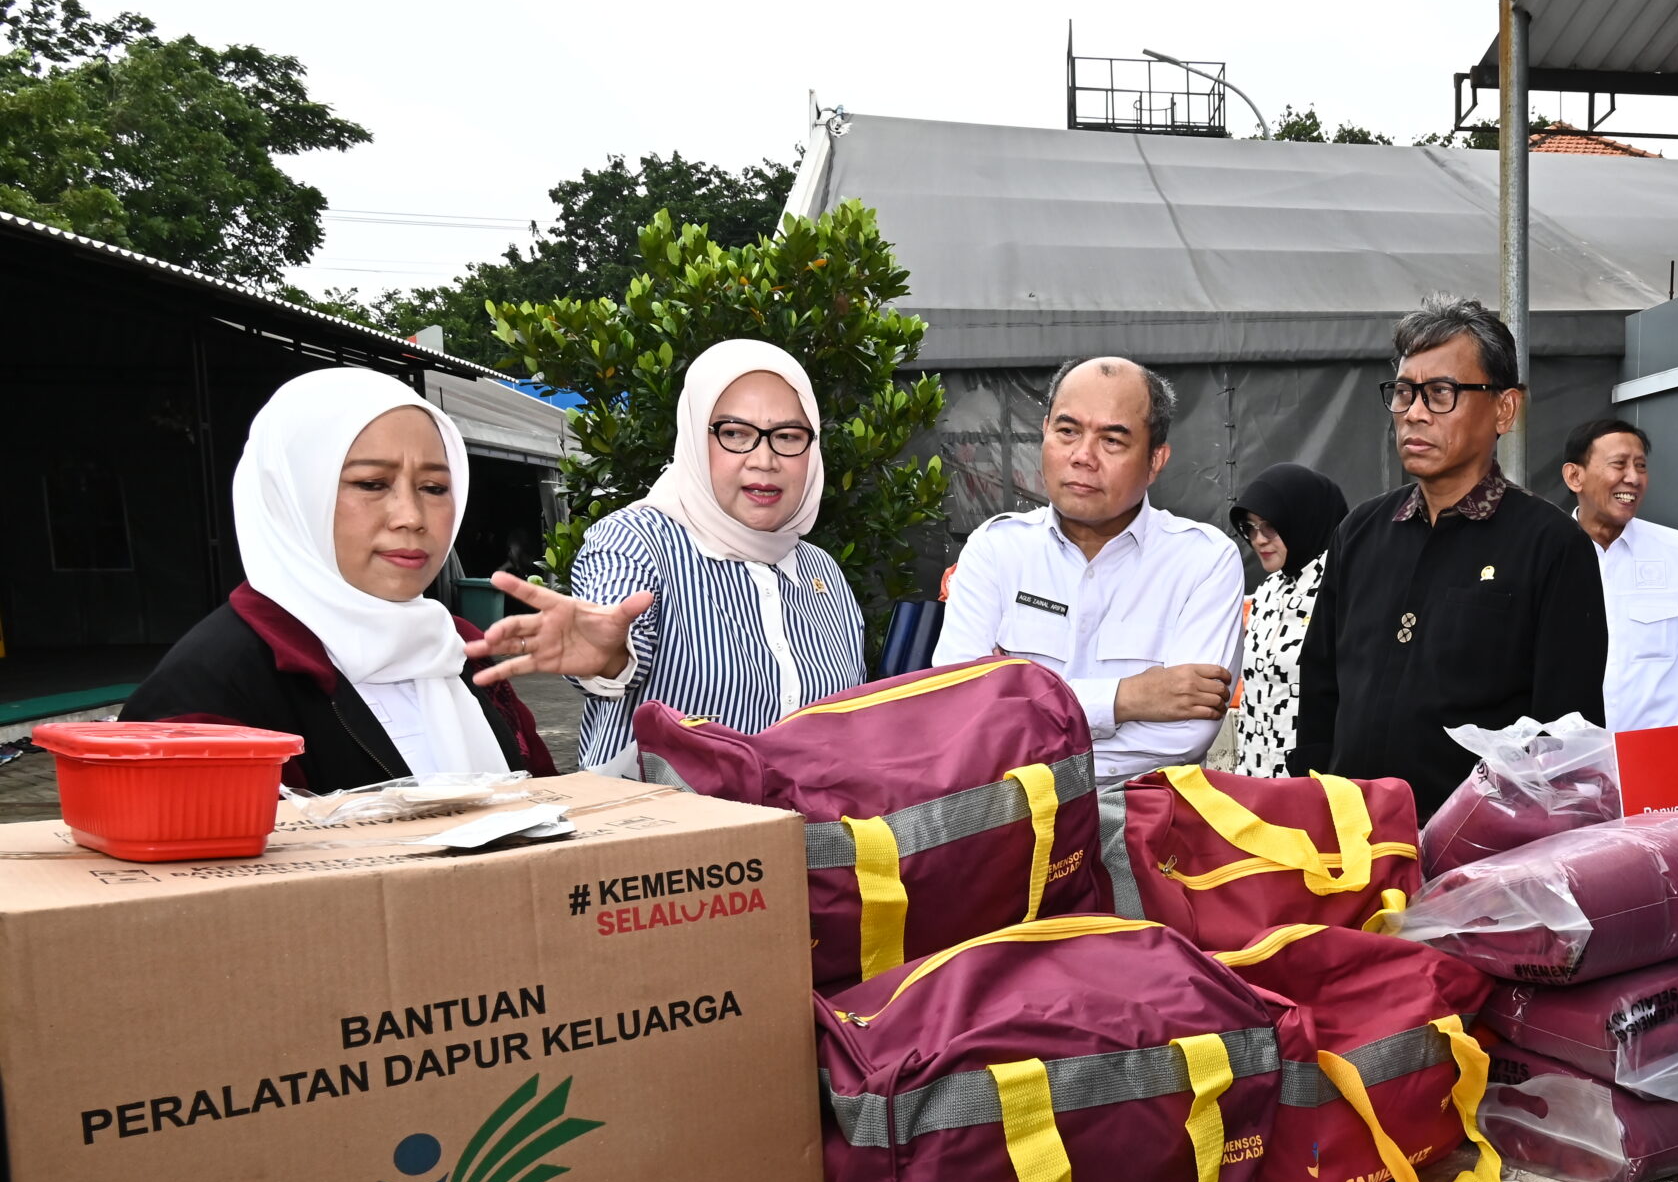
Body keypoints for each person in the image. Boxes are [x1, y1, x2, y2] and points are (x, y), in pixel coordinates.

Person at [124, 368, 553, 792]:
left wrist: (613, 672)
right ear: (293, 495)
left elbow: (561, 817)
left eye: (435, 487)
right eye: (371, 484)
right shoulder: (206, 698)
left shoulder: (458, 650)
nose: (411, 517)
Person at [465, 339, 865, 775]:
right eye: (734, 434)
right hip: (668, 838)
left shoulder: (821, 571)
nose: (764, 459)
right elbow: (616, 639)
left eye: (788, 436)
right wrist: (608, 653)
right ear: (695, 438)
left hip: (809, 838)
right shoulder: (634, 542)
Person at [1290, 296, 1607, 817]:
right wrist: (1312, 807)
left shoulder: (1550, 545)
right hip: (1351, 845)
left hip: (1475, 856)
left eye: (1440, 393)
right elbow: (1321, 687)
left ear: (1504, 408)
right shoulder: (1360, 532)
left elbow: (1564, 735)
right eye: (1403, 393)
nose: (1414, 413)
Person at [934, 357, 1243, 785]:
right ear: (1044, 432)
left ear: (1156, 460)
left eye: (1112, 440)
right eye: (1067, 431)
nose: (1082, 456)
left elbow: (1182, 737)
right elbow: (957, 707)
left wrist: (1019, 712)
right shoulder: (996, 549)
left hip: (1143, 828)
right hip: (1010, 828)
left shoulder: (1203, 562)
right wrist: (1126, 697)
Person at [1562, 417, 1678, 729]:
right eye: (1619, 464)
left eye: (1641, 466)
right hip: (1566, 758)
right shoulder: (1545, 555)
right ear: (1574, 476)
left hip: (1656, 755)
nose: (1633, 478)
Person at [1229, 462, 1348, 777]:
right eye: (1250, 528)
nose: (1259, 539)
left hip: (1316, 784)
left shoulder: (1343, 587)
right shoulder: (1269, 590)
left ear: (1303, 519)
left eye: (1270, 525)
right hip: (1256, 778)